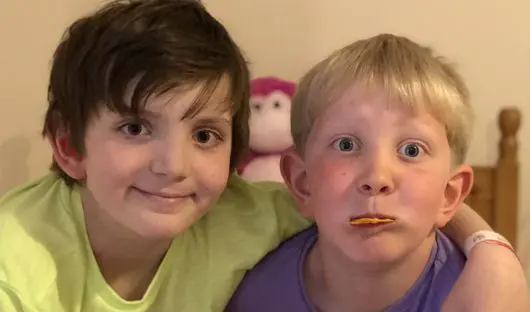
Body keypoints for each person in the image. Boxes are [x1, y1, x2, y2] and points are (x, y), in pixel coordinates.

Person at [0, 1, 527, 311]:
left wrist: (492, 252)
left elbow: (379, 194)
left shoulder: (248, 213)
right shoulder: (15, 264)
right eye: (135, 127)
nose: (173, 165)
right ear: (70, 147)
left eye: (205, 134)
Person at [226, 34, 529, 312]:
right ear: (302, 183)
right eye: (346, 144)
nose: (376, 178)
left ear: (449, 195)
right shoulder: (255, 297)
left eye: (411, 150)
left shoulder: (482, 297)